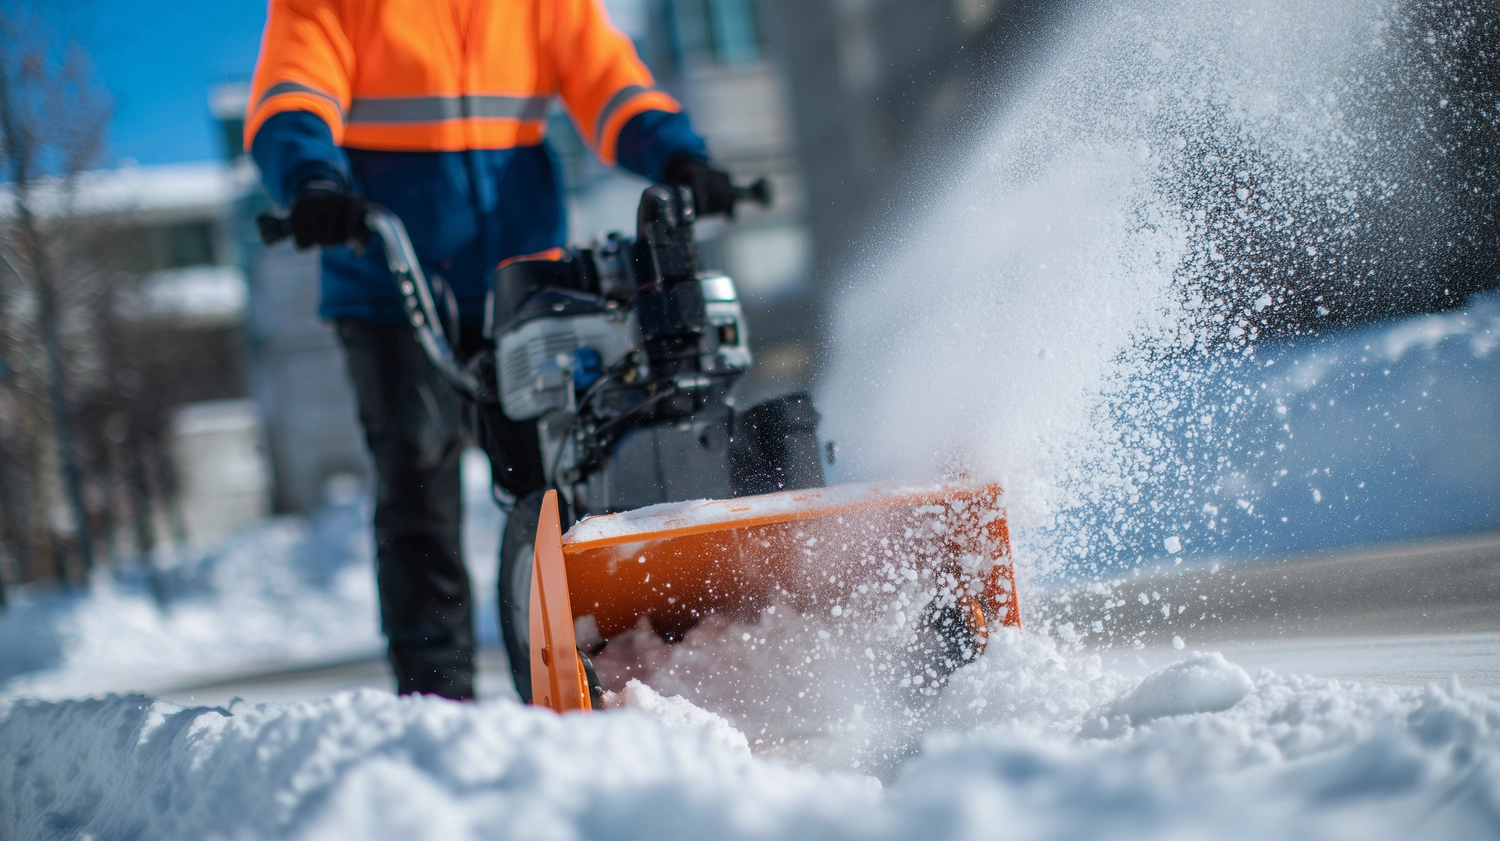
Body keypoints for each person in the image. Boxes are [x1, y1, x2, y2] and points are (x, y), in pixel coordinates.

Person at [245, 0, 738, 700]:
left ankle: (588, 679)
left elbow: (609, 82)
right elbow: (292, 95)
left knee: (561, 481)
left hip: (524, 285)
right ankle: (438, 700)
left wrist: (678, 155)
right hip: (391, 284)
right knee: (419, 486)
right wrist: (312, 181)